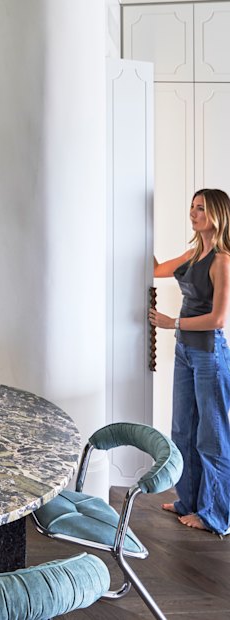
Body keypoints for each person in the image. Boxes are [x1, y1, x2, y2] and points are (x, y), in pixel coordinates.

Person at [149, 188, 230, 535]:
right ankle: (189, 501)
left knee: (212, 439)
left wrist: (173, 323)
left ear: (216, 215)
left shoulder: (222, 260)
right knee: (182, 430)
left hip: (209, 354)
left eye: (200, 209)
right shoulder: (193, 254)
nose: (193, 213)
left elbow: (218, 319)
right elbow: (155, 269)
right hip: (185, 352)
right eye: (192, 207)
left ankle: (217, 516)